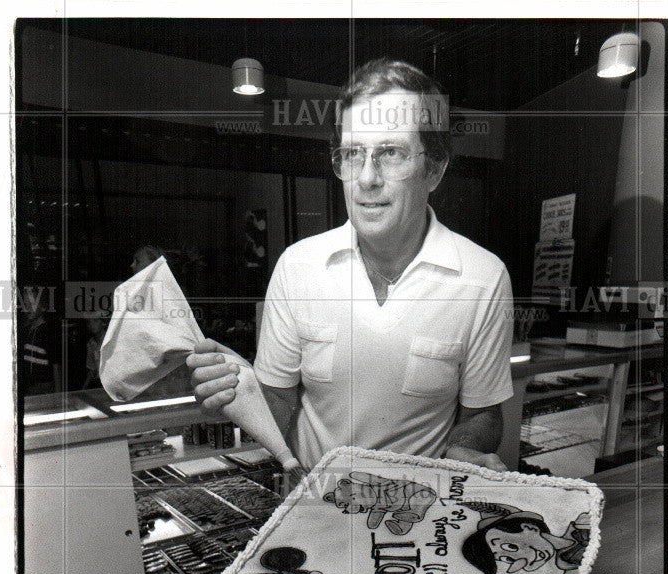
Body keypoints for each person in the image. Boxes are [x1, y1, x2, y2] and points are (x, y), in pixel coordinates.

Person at [188, 59, 514, 472]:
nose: (366, 178)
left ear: (434, 169)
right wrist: (235, 395)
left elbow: (483, 411)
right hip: (313, 502)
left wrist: (464, 449)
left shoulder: (483, 278)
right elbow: (279, 401)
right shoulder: (298, 268)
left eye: (390, 153)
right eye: (352, 154)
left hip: (417, 510)